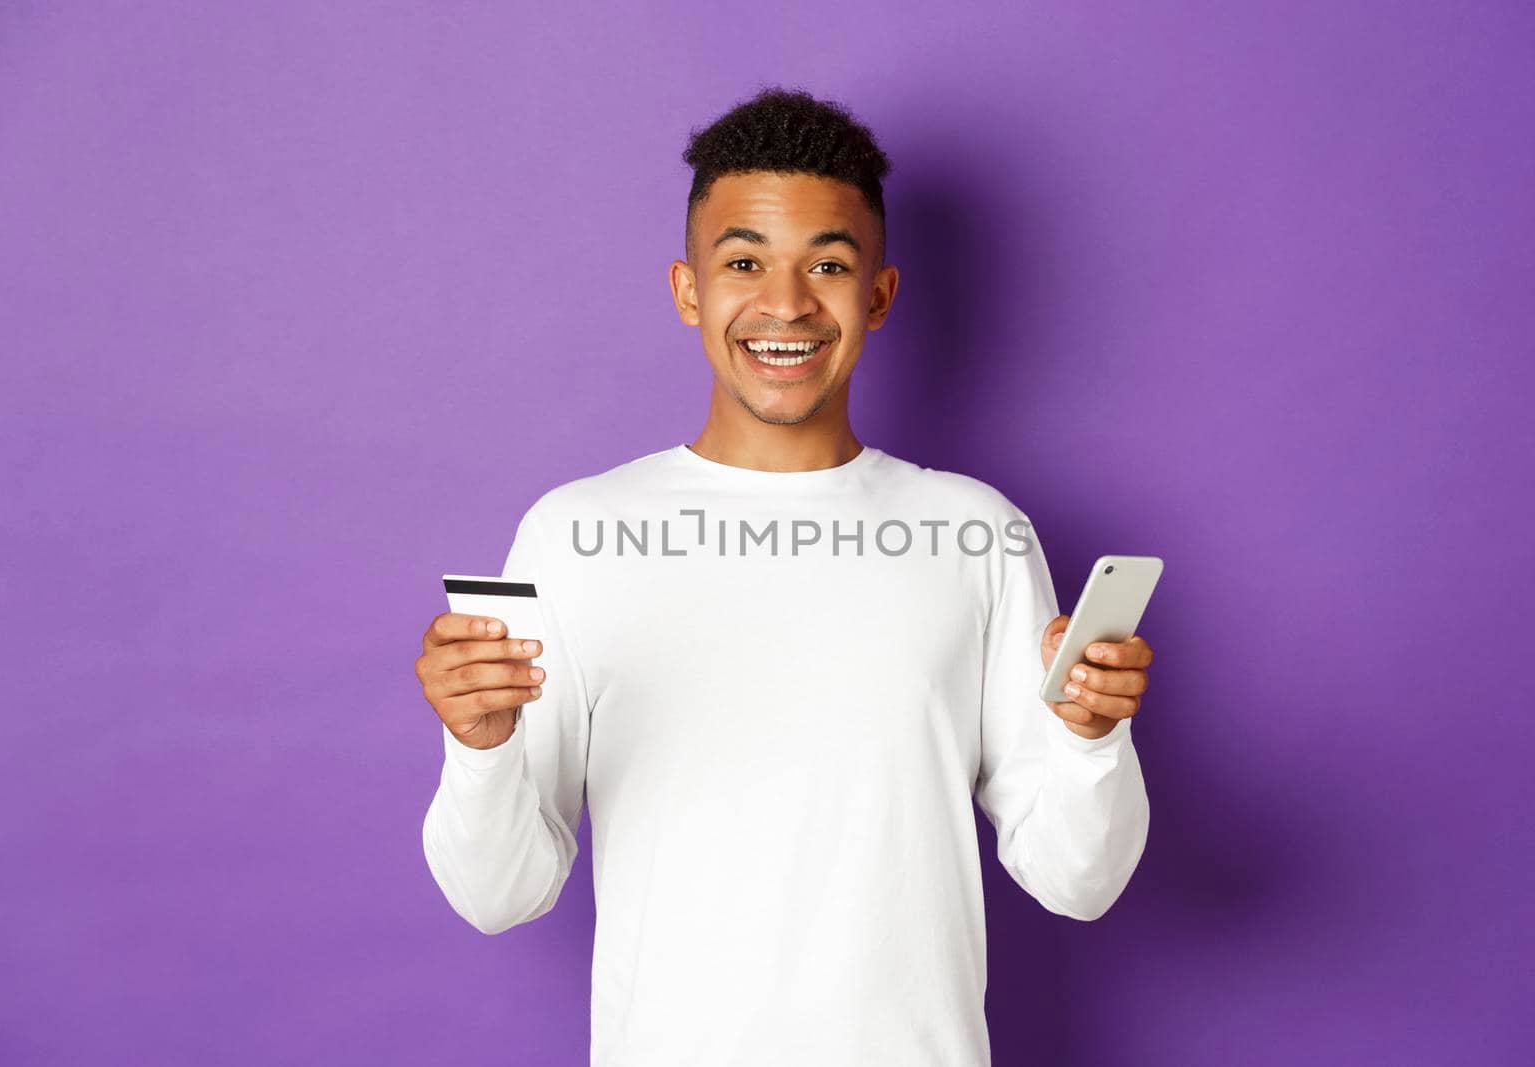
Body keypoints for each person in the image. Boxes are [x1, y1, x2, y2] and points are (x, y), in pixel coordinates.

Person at [414, 85, 1154, 1067]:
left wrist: (1091, 740)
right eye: (744, 261)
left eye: (829, 264)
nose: (786, 303)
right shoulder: (576, 535)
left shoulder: (976, 533)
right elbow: (498, 893)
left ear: (879, 295)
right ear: (688, 289)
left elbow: (1079, 877)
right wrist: (480, 747)